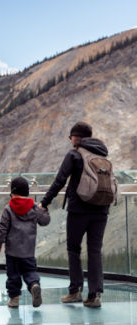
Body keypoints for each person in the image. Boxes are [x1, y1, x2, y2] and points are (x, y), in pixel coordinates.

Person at [39, 121, 110, 308]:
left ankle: (75, 291)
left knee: (74, 249)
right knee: (94, 250)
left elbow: (60, 180)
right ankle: (94, 295)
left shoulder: (74, 154)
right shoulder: (102, 154)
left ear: (75, 137)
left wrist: (44, 203)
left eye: (71, 136)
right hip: (101, 209)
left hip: (79, 210)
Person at [0, 176, 50, 308]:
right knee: (30, 271)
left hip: (12, 251)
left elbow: (3, 227)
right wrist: (44, 209)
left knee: (13, 276)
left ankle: (14, 299)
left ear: (12, 192)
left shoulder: (8, 208)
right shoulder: (34, 207)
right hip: (28, 251)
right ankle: (34, 285)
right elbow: (45, 221)